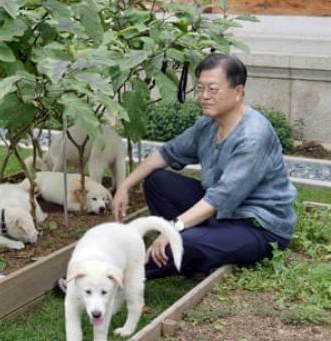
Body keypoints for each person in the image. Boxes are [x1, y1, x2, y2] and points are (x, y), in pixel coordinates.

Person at [56, 52, 296, 292]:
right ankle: (198, 248)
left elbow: (219, 199)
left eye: (213, 89)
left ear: (238, 91)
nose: (204, 96)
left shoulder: (253, 136)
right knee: (157, 181)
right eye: (200, 88)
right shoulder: (208, 125)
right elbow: (166, 154)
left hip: (257, 227)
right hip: (223, 214)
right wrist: (125, 186)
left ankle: (101, 279)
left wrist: (173, 228)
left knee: (182, 242)